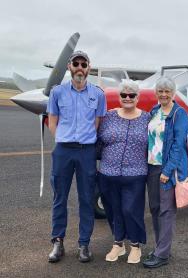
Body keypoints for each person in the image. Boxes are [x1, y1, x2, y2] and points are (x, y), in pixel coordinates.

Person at [46, 50, 106, 263]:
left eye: (84, 64)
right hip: (63, 150)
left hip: (86, 152)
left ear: (89, 68)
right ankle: (58, 242)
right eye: (76, 63)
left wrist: (82, 139)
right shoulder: (58, 92)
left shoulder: (98, 94)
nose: (79, 67)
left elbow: (97, 123)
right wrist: (62, 137)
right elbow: (52, 120)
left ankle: (84, 244)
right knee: (59, 197)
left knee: (86, 198)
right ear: (70, 66)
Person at [97, 79, 151, 264]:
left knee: (131, 210)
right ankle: (118, 244)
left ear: (138, 97)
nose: (127, 98)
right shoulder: (108, 116)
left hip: (135, 173)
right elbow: (97, 138)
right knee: (113, 210)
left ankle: (135, 246)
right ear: (119, 97)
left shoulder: (147, 118)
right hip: (108, 172)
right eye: (124, 95)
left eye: (132, 95)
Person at [143, 76, 188, 268]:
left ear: (173, 93)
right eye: (160, 91)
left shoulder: (180, 114)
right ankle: (159, 247)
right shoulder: (155, 111)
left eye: (167, 91)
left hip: (166, 169)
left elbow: (179, 146)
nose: (163, 94)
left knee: (166, 211)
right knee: (154, 208)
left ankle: (162, 254)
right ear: (156, 93)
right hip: (151, 166)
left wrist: (168, 170)